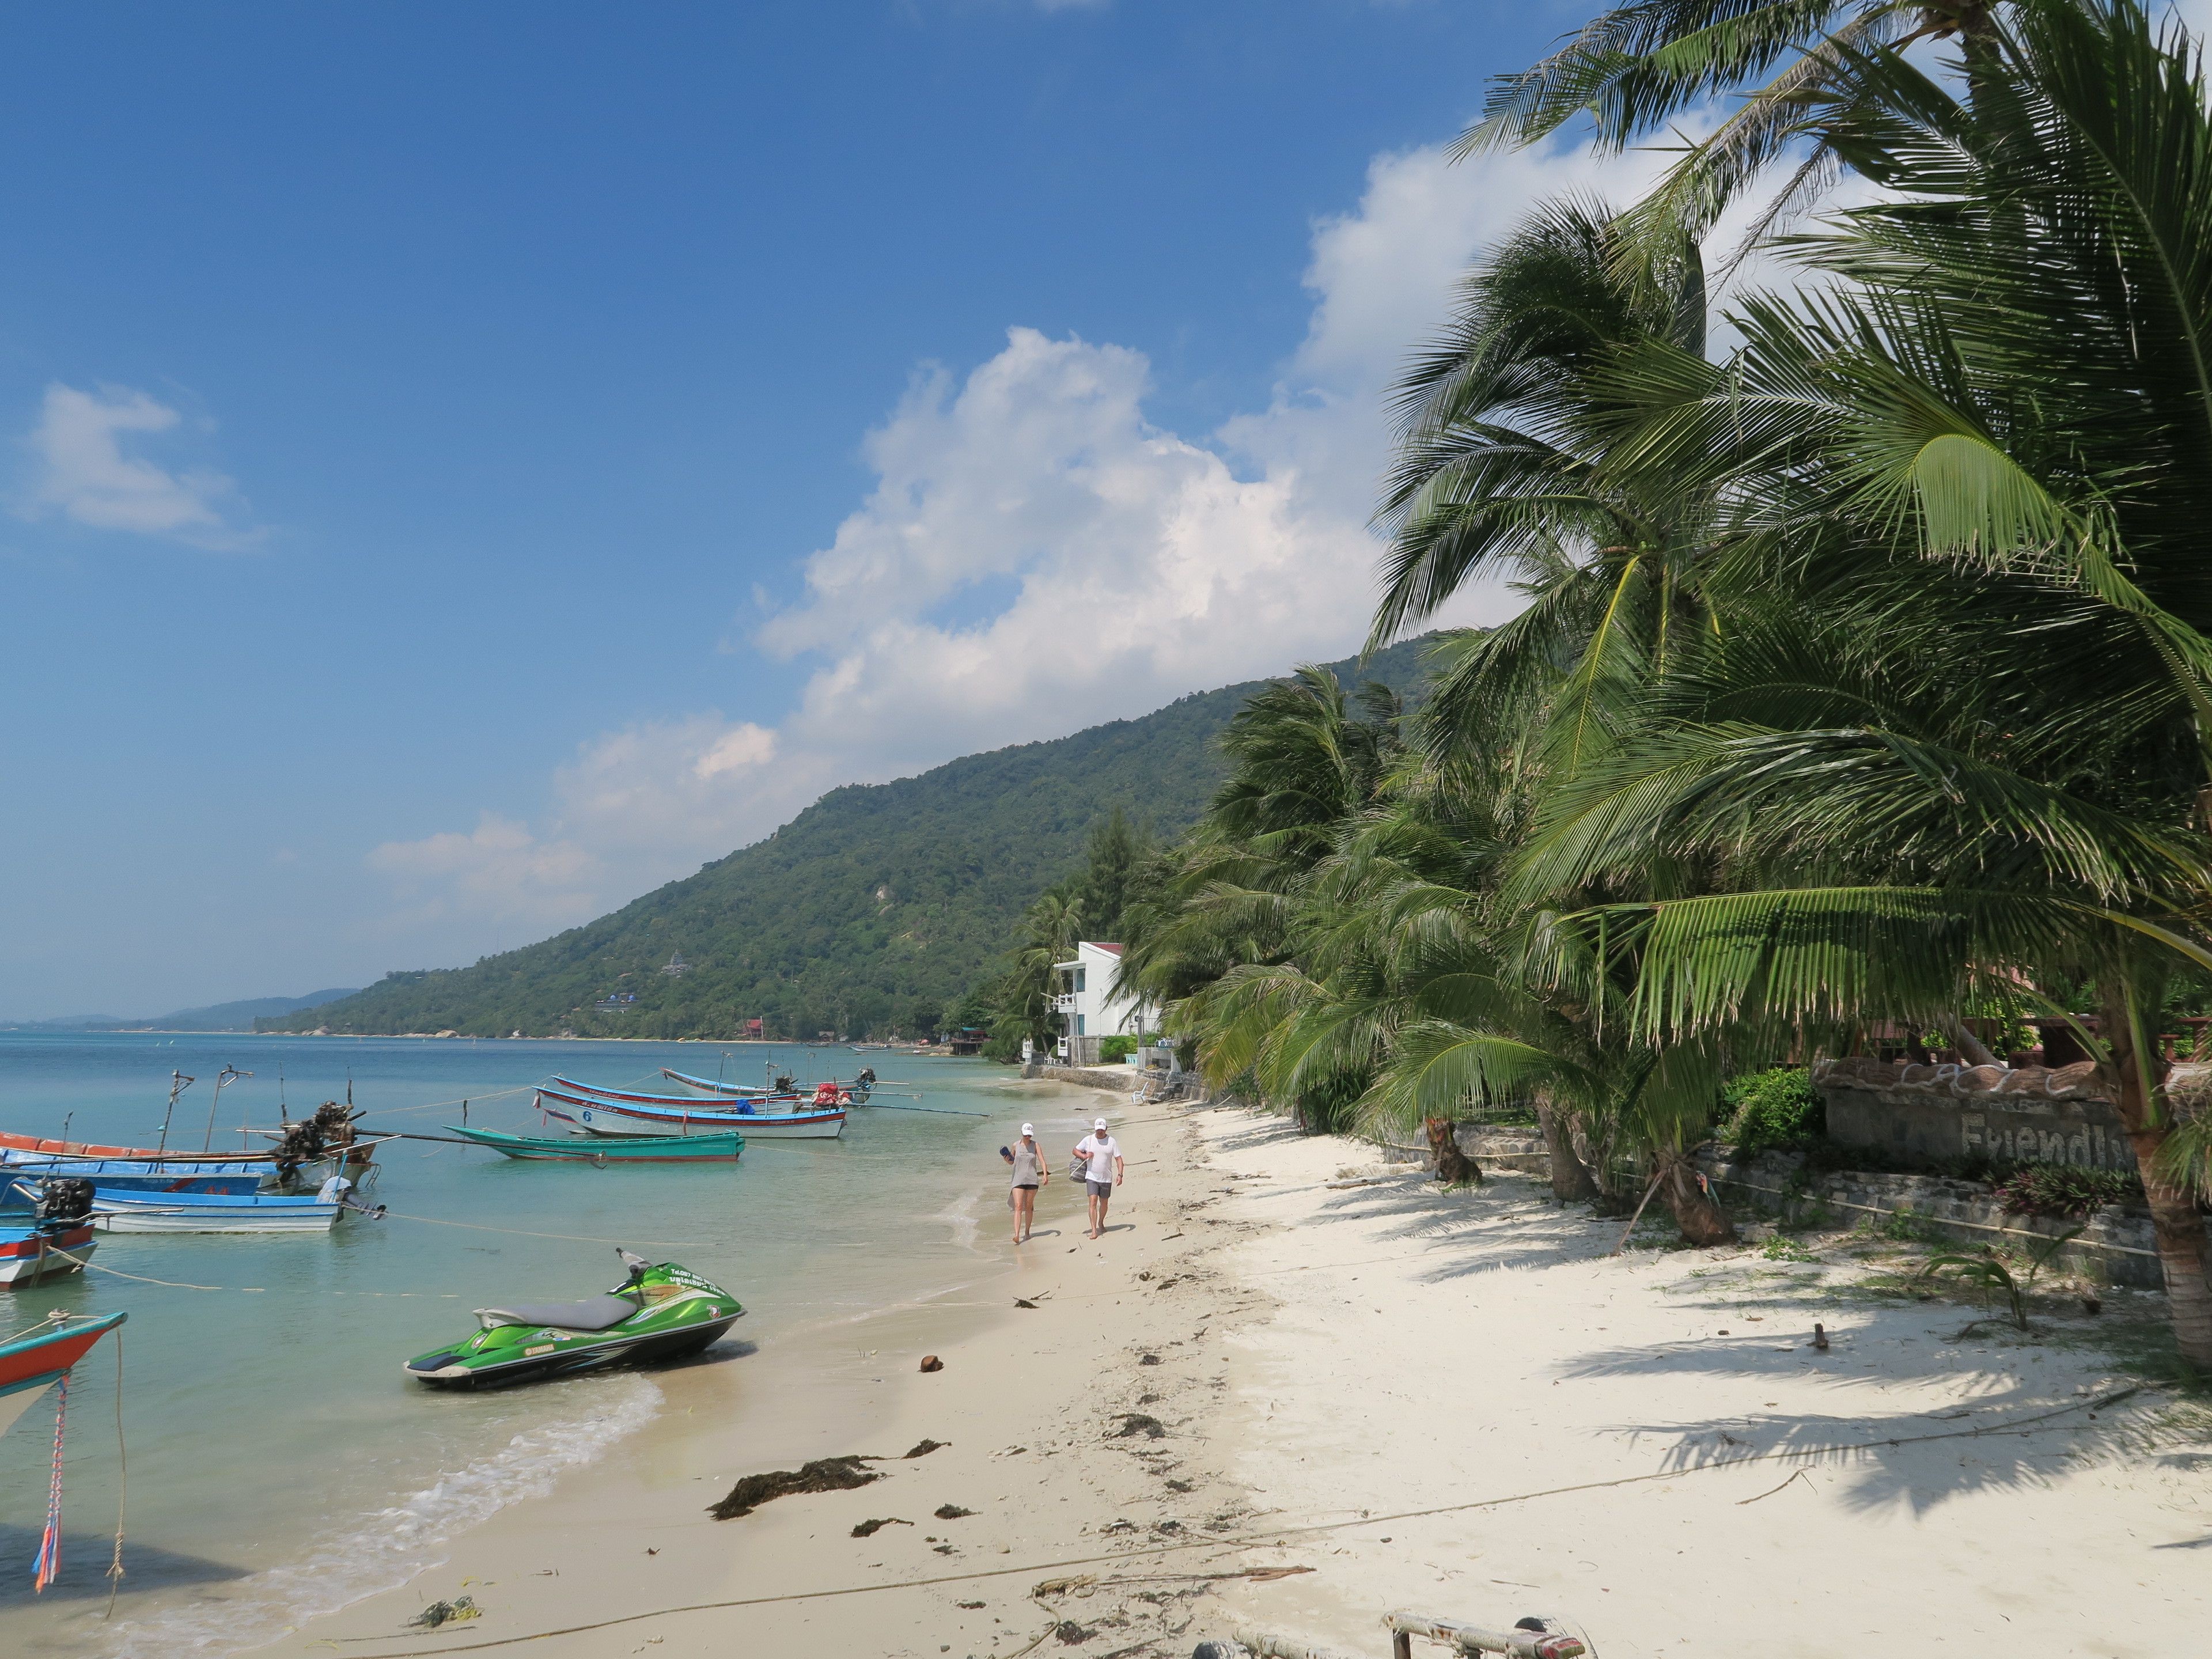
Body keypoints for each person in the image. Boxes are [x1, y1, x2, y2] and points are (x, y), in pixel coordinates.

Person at [1071, 1116, 1123, 1240]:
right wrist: (1084, 1156)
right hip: (1092, 1177)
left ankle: (1101, 1222)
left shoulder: (1112, 1141)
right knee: (1093, 1201)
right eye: (1098, 1130)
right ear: (1095, 1129)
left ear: (1106, 1128)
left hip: (1106, 1178)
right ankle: (1094, 1230)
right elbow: (1075, 1150)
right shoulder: (1088, 1140)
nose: (1100, 1132)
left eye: (1102, 1129)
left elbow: (1119, 1159)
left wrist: (1120, 1174)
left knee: (1104, 1203)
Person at [1001, 1123, 1047, 1244]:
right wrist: (1007, 1160)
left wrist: (1045, 1175)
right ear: (1022, 1133)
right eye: (1026, 1135)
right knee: (1018, 1206)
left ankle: (1027, 1232)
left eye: (1030, 1135)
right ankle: (1017, 1235)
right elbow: (1012, 1162)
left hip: (1032, 1179)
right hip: (1018, 1180)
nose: (1028, 1137)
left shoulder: (1036, 1145)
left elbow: (1042, 1160)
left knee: (1029, 1207)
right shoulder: (1015, 1145)